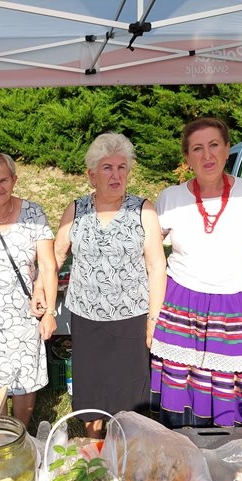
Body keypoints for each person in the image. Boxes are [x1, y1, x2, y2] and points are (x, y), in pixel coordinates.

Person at [150, 117, 242, 429]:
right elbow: (149, 252)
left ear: (228, 149)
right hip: (181, 302)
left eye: (214, 145)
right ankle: (181, 445)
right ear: (187, 157)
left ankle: (230, 447)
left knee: (231, 383)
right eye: (197, 148)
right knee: (182, 384)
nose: (207, 155)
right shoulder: (171, 198)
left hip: (235, 302)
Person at [54, 132, 167, 438]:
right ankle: (94, 444)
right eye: (107, 168)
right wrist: (42, 290)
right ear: (92, 175)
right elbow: (56, 255)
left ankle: (126, 444)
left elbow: (157, 266)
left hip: (131, 316)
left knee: (128, 386)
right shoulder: (76, 209)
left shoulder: (143, 209)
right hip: (86, 317)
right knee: (91, 383)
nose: (116, 175)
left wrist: (153, 320)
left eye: (121, 167)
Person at [0, 152, 57, 426]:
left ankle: (21, 433)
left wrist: (49, 310)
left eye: (4, 180)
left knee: (25, 376)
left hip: (22, 310)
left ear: (14, 180)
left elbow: (48, 265)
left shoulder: (33, 212)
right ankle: (0, 435)